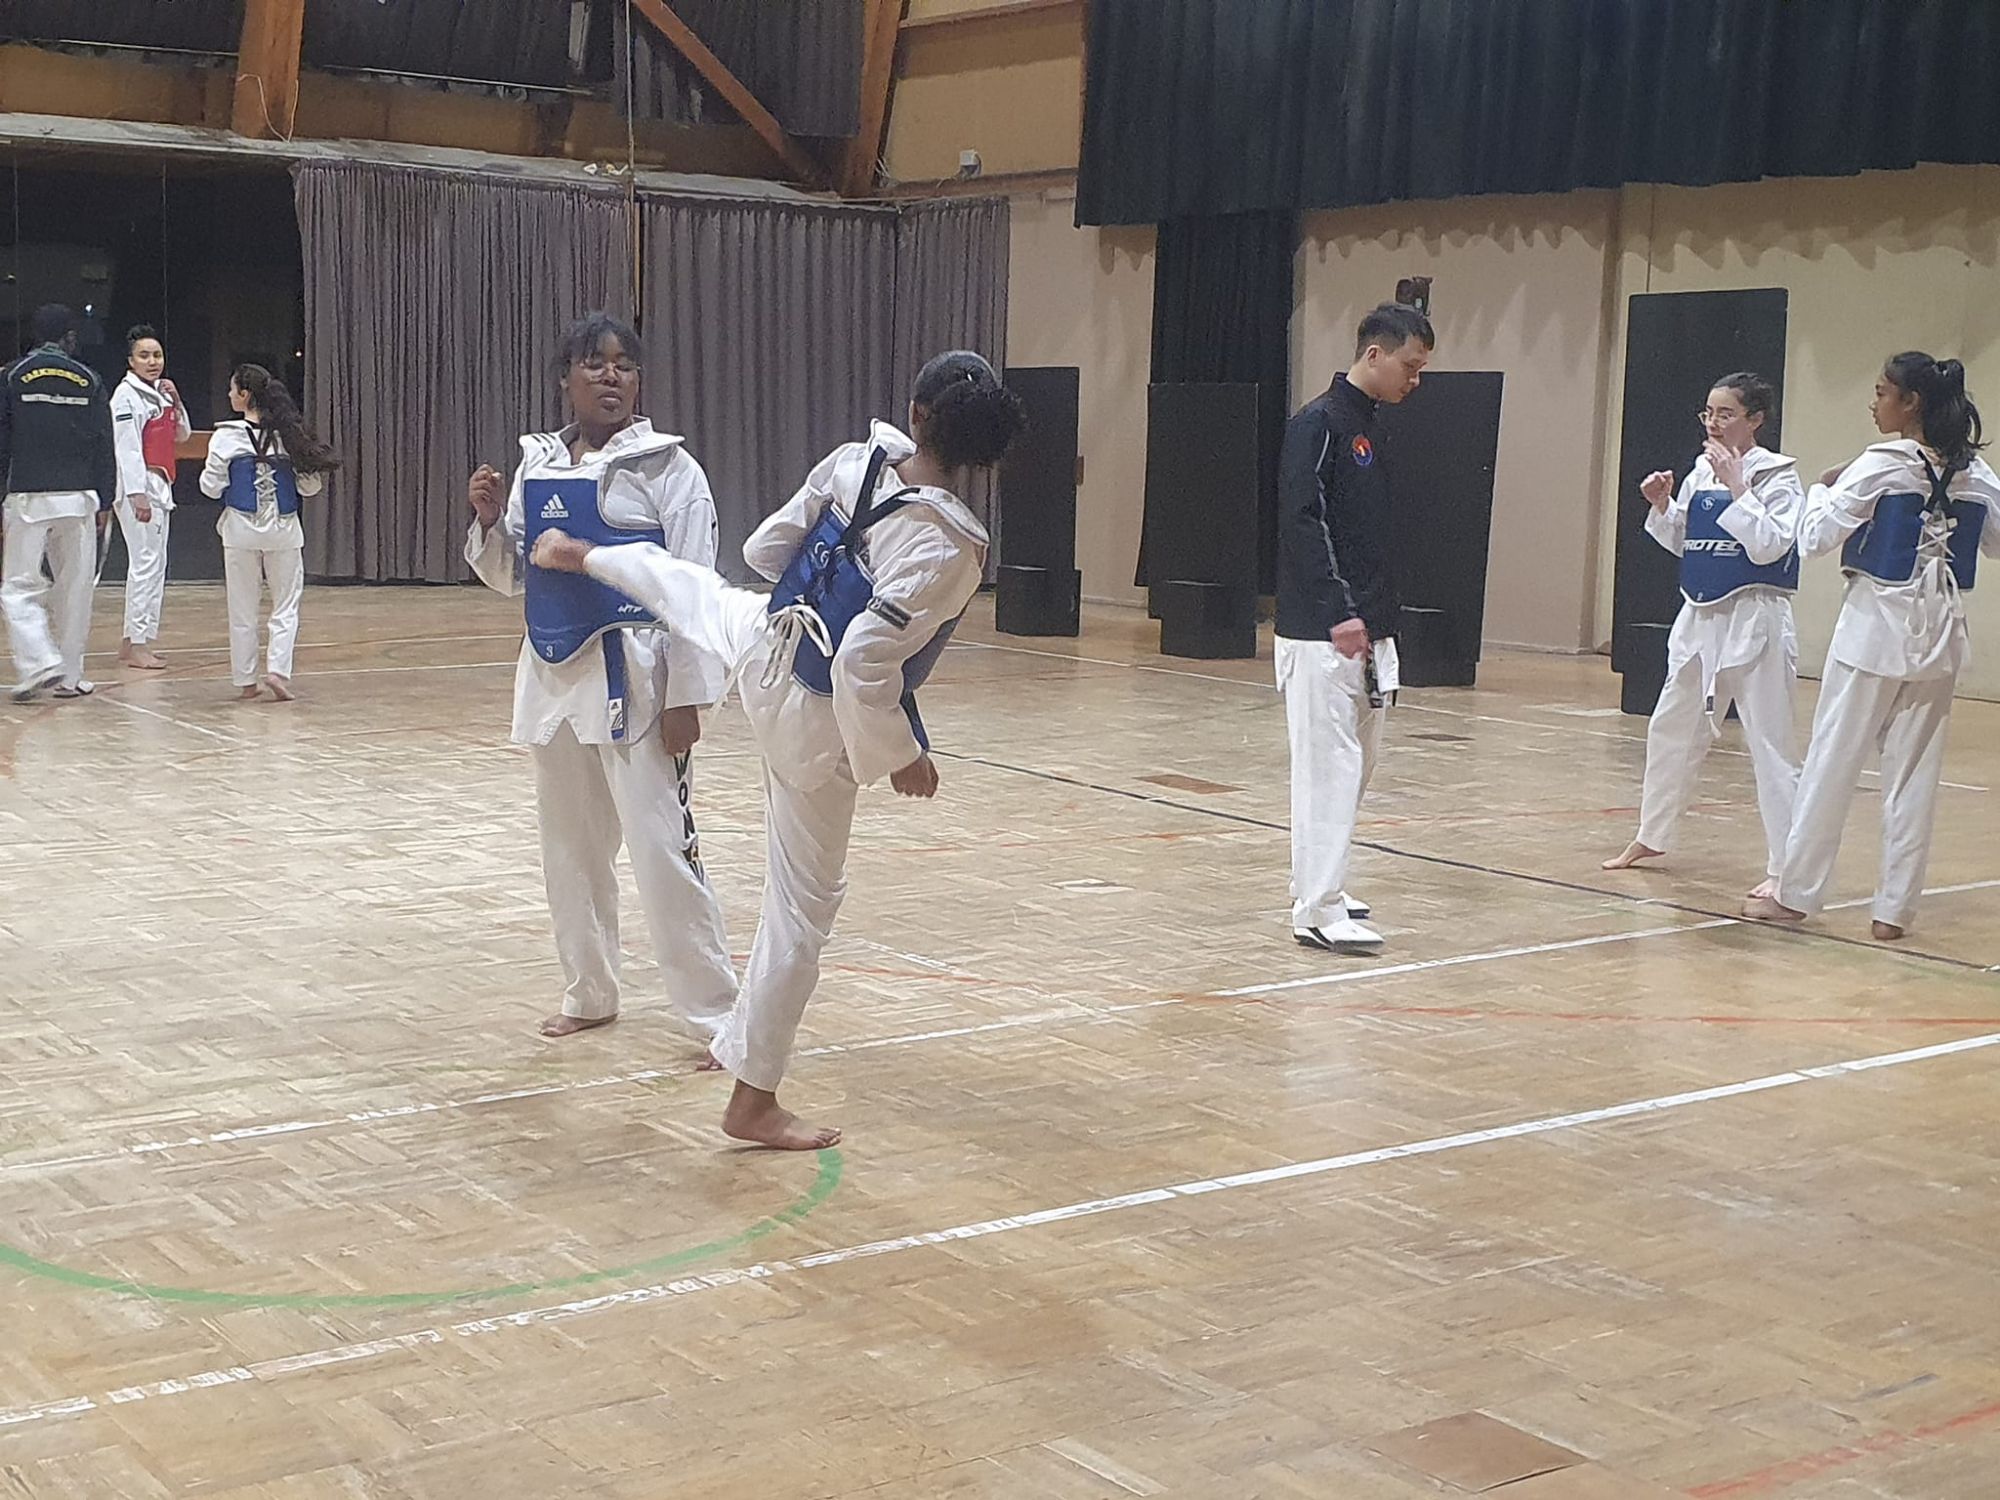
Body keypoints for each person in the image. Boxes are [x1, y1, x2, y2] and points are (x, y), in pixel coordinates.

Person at [530, 350, 1024, 1149]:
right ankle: (753, 1098)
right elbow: (863, 664)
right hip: (815, 721)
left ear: (917, 413)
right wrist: (900, 752)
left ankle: (579, 552)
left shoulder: (855, 463)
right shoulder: (951, 548)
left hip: (766, 649)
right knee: (801, 909)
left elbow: (766, 550)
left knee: (691, 589)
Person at [465, 312, 739, 1046]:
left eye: (624, 364)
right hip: (555, 675)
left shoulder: (671, 470)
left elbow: (696, 591)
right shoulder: (537, 466)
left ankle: (719, 1015)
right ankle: (588, 990)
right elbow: (511, 576)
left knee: (663, 851)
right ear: (566, 378)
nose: (611, 375)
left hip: (640, 682)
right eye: (594, 363)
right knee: (570, 849)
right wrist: (488, 523)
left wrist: (688, 697)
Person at [1745, 353, 2000, 939]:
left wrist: (1821, 488)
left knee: (1832, 763)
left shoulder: (1882, 463)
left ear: (1910, 403)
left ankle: (1796, 893)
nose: (1874, 401)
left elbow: (1813, 537)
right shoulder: (1975, 472)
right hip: (1940, 635)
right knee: (1914, 777)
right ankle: (1893, 910)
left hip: (1874, 629)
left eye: (1883, 391)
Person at [1603, 373, 1803, 896]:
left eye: (1725, 414)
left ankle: (1788, 865)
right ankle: (1651, 835)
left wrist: (1739, 487)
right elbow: (1688, 544)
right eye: (1708, 413)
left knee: (1770, 744)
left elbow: (1771, 545)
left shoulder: (1779, 476)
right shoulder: (1699, 472)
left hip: (1755, 616)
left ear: (1755, 420)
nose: (1713, 423)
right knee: (1671, 727)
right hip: (1700, 618)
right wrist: (1663, 506)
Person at [1274, 302, 1432, 954]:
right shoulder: (1318, 423)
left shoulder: (1372, 427)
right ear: (1374, 353)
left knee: (1356, 767)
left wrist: (1376, 620)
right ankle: (1316, 909)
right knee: (1329, 771)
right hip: (1323, 631)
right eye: (1409, 366)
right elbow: (1303, 521)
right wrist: (1338, 609)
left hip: (1369, 627)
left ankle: (1320, 884)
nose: (1414, 381)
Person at [1, 304, 118, 702]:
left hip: (28, 495)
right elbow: (105, 443)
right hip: (80, 497)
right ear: (69, 336)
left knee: (18, 586)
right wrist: (106, 498)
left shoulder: (12, 376)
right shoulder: (89, 379)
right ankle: (70, 676)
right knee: (75, 588)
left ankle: (39, 662)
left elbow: (2, 443)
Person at [199, 364, 336, 702]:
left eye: (232, 389)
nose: (229, 394)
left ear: (244, 395)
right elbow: (310, 488)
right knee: (286, 604)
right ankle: (278, 670)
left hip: (240, 531)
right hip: (284, 531)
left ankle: (246, 680)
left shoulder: (225, 437)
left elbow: (210, 488)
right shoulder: (290, 436)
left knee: (242, 609)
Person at [109, 323, 190, 670]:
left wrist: (177, 400)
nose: (152, 361)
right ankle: (139, 642)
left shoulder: (160, 393)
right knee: (145, 563)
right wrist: (136, 494)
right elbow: (126, 448)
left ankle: (133, 639)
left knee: (154, 564)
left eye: (157, 355)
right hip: (139, 487)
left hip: (160, 483)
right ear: (131, 361)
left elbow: (181, 436)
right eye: (144, 356)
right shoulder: (125, 396)